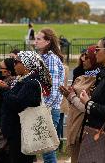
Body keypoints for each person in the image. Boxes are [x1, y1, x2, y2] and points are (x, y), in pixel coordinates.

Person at [0, 51, 52, 163]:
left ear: (26, 65)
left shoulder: (31, 83)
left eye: (17, 62)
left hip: (22, 133)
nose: (14, 64)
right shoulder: (23, 80)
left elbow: (17, 104)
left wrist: (4, 89)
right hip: (16, 132)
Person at [59, 46, 100, 163]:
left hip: (85, 129)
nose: (83, 59)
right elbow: (74, 103)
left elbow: (87, 107)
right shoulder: (82, 77)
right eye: (83, 55)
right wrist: (68, 95)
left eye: (87, 57)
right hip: (75, 126)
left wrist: (71, 96)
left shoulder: (98, 79)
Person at [34, 28, 65, 163]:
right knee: (46, 149)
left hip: (49, 109)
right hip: (46, 108)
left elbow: (52, 89)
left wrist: (44, 109)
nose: (35, 41)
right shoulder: (43, 58)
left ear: (47, 41)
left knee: (47, 150)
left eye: (39, 39)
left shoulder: (51, 59)